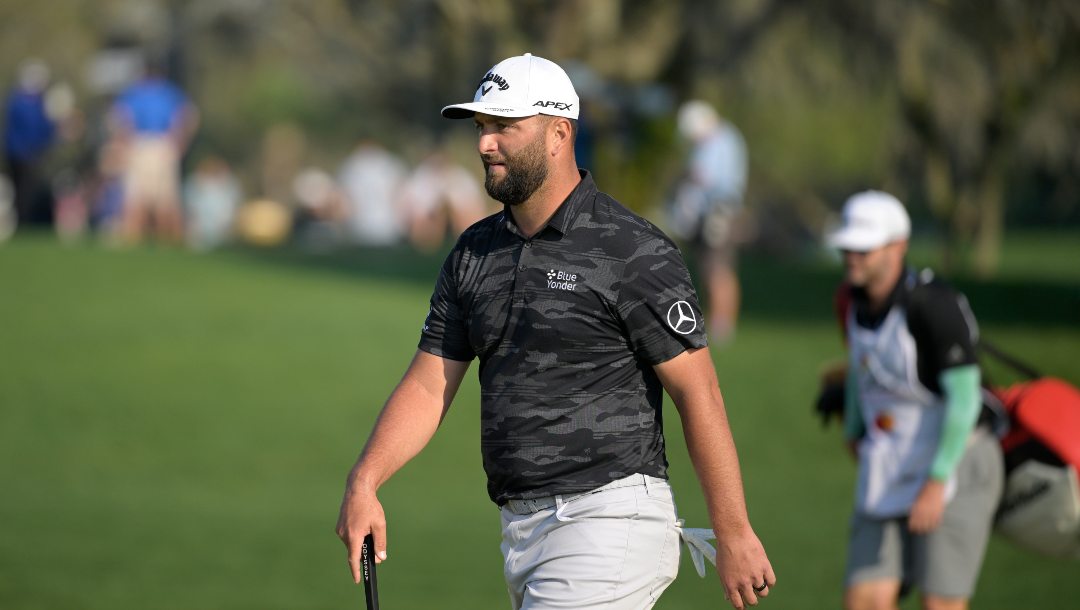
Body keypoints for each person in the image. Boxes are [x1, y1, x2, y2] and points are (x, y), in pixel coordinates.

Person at [336, 53, 774, 610]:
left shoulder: (630, 249)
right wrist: (365, 481)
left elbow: (698, 391)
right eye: (481, 127)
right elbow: (428, 386)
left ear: (557, 134)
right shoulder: (474, 253)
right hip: (521, 530)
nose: (484, 144)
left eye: (503, 127)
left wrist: (733, 532)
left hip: (610, 519)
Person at [826, 191, 1004, 610]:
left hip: (955, 462)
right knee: (865, 600)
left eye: (864, 248)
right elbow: (859, 367)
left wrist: (937, 480)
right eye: (848, 246)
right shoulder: (851, 301)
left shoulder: (934, 304)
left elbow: (965, 401)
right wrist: (854, 428)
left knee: (939, 604)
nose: (852, 256)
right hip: (889, 464)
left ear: (897, 246)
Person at [668, 100, 748, 344]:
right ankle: (717, 321)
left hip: (720, 212)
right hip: (713, 212)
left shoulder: (721, 141)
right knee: (710, 268)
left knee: (718, 268)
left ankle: (722, 324)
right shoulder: (723, 138)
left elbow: (707, 178)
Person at [109, 61, 199, 244]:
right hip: (160, 145)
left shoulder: (135, 93)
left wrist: (122, 142)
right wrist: (180, 141)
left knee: (142, 198)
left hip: (143, 144)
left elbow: (120, 119)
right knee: (160, 198)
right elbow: (189, 117)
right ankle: (166, 241)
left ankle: (139, 239)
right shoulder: (171, 92)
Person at [3, 59, 56, 229]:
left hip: (25, 152)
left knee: (26, 190)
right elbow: (35, 128)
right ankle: (22, 222)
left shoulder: (28, 101)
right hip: (22, 153)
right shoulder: (24, 102)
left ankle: (25, 221)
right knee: (23, 190)